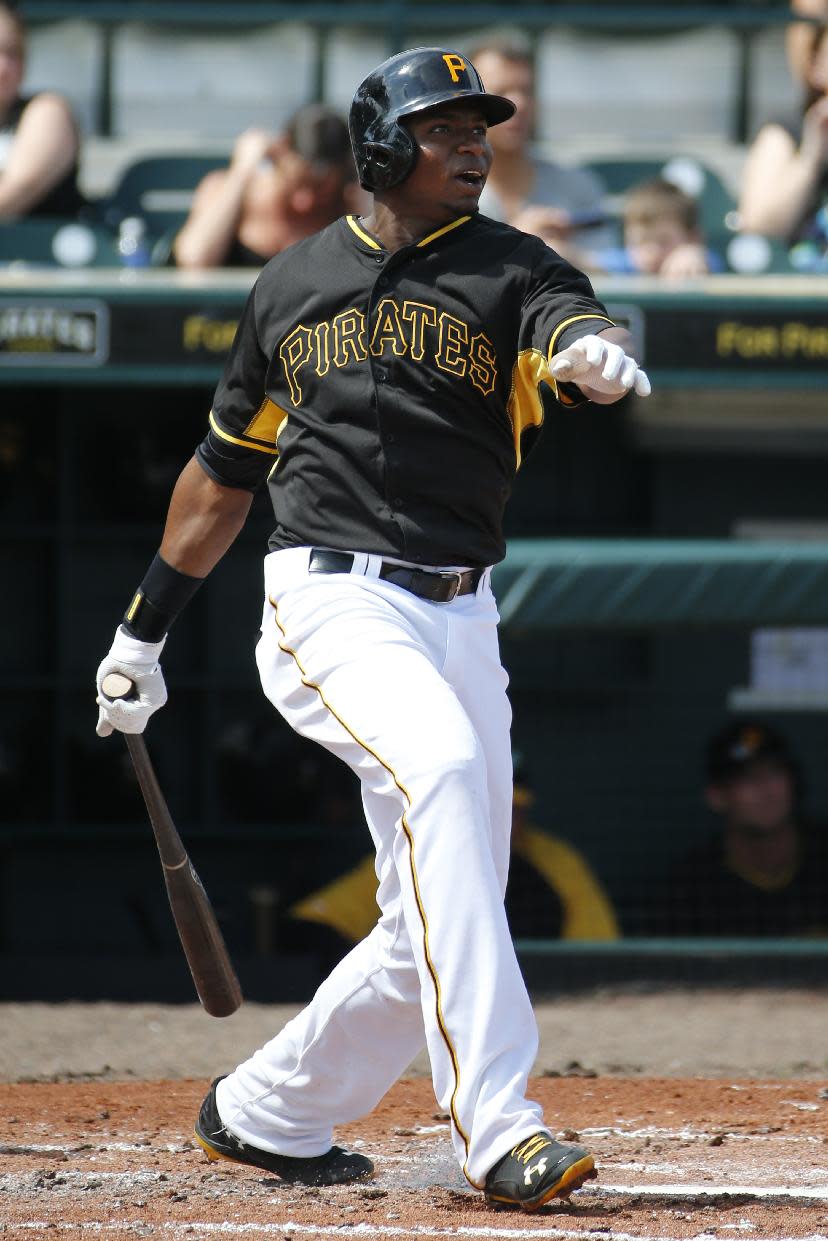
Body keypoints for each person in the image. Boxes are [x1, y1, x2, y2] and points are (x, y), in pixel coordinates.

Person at [95, 47, 650, 1212]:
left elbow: (569, 320)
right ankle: (499, 1128)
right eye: (444, 127)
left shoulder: (514, 266)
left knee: (444, 910)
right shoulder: (291, 283)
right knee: (442, 777)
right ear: (382, 148)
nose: (472, 145)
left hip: (463, 609)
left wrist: (595, 354)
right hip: (329, 595)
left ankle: (266, 1109)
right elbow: (220, 476)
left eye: (479, 127)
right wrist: (142, 632)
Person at [287, 753, 619, 972]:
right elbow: (319, 922)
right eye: (488, 805)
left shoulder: (554, 860)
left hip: (535, 995)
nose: (500, 819)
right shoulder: (421, 848)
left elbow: (595, 950)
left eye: (512, 810)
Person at [656, 721, 828, 937]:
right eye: (749, 777)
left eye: (774, 772)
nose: (766, 789)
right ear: (716, 796)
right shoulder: (692, 891)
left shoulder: (822, 859)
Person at [468, 38, 613, 266]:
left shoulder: (576, 183)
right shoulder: (447, 189)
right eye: (501, 91)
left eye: (526, 91)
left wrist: (567, 257)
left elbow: (614, 273)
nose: (519, 103)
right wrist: (519, 241)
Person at [173, 103, 362, 269]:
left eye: (321, 189)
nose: (304, 202)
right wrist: (242, 171)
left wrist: (362, 180)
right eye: (297, 183)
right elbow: (195, 258)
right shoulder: (229, 188)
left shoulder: (348, 206)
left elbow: (377, 265)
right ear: (280, 150)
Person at [738, 22, 828, 266]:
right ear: (814, 67)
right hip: (798, 291)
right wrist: (811, 156)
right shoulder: (784, 132)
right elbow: (759, 227)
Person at [0, 0, 85, 219]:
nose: (4, 67)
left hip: (37, 249)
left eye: (14, 52)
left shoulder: (47, 111)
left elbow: (13, 195)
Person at [597, 177, 721, 277]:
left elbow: (710, 262)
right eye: (640, 241)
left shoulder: (701, 259)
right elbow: (591, 264)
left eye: (664, 241)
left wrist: (694, 254)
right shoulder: (626, 263)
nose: (651, 251)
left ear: (692, 238)